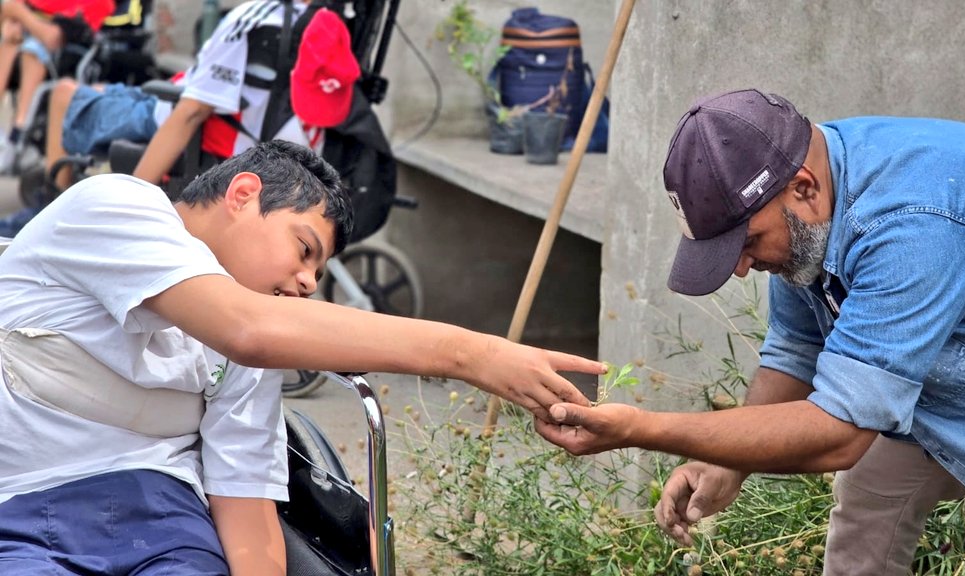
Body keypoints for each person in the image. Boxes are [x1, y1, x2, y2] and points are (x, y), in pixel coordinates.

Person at [0, 140, 605, 574]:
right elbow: (247, 328)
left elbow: (244, 505)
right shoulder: (114, 206)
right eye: (304, 248)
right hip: (23, 513)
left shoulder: (252, 343)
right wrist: (470, 355)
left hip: (167, 528)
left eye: (319, 269)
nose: (309, 281)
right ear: (242, 194)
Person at [536, 88, 965, 573]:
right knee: (867, 508)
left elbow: (839, 435)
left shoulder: (914, 224)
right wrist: (729, 461)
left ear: (804, 188)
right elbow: (797, 349)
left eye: (748, 243)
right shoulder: (810, 202)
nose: (743, 269)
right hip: (957, 379)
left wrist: (642, 429)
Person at [0, 0, 354, 235]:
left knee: (63, 92)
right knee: (102, 89)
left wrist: (129, 203)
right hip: (195, 102)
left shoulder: (256, 18)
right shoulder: (330, 25)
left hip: (175, 113)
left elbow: (189, 114)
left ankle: (47, 212)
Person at [0, 0, 114, 172]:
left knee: (32, 49)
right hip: (25, 48)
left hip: (67, 52)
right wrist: (11, 23)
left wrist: (20, 14)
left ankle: (18, 130)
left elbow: (52, 38)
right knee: (10, 42)